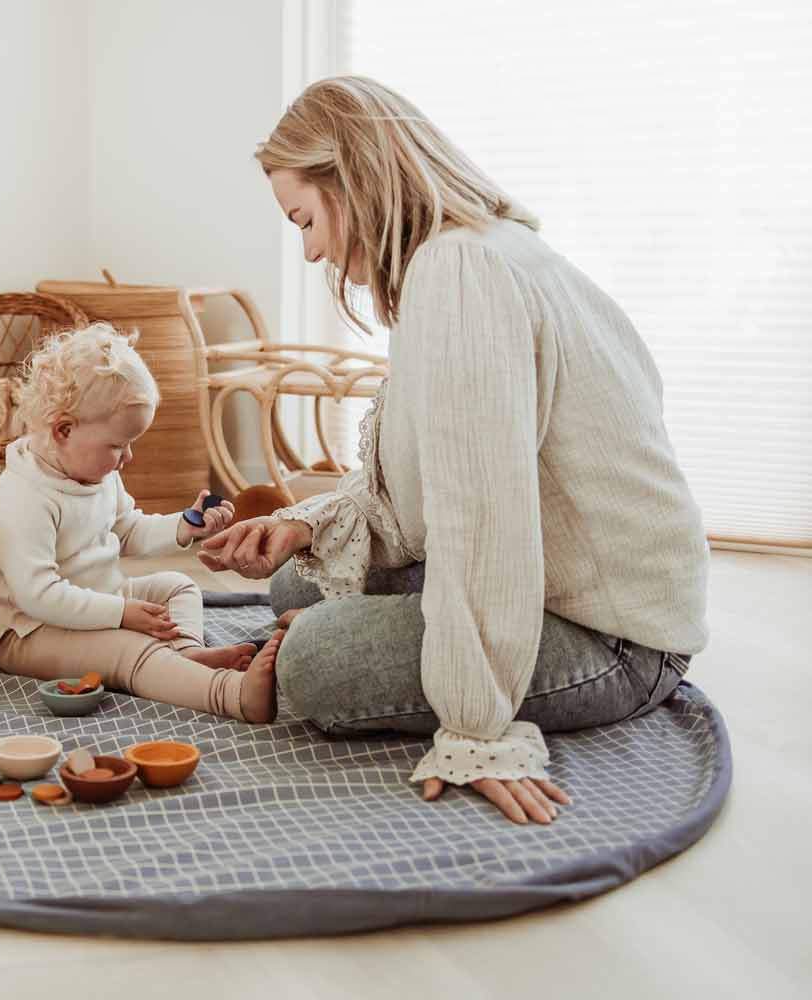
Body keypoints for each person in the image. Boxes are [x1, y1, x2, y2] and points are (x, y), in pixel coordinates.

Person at [199, 76, 709, 824]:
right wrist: (308, 526)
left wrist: (477, 728)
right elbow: (422, 488)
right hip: (555, 578)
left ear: (357, 183)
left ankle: (471, 683)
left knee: (316, 660)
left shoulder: (462, 273)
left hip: (617, 637)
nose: (309, 252)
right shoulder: (474, 253)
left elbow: (481, 519)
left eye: (306, 220)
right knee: (294, 589)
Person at [0, 323, 283, 722]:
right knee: (129, 650)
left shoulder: (99, 472)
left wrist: (185, 526)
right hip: (31, 632)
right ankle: (230, 694)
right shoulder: (23, 496)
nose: (127, 458)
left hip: (99, 596)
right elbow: (38, 595)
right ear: (64, 430)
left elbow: (129, 530)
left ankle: (185, 654)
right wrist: (120, 614)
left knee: (180, 586)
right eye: (117, 445)